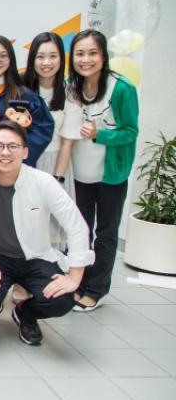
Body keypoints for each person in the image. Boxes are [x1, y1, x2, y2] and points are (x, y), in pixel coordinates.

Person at [0, 121, 94, 345]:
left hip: (36, 257)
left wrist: (74, 276)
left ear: (25, 152)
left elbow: (76, 226)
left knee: (61, 300)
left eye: (13, 146)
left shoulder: (43, 182)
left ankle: (25, 314)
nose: (5, 152)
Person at [66, 29, 139, 312]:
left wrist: (101, 135)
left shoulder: (121, 88)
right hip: (80, 173)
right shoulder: (71, 86)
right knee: (79, 230)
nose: (86, 60)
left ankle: (96, 289)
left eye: (92, 53)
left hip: (110, 174)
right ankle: (78, 282)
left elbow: (131, 131)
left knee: (105, 233)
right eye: (80, 54)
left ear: (103, 55)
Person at [22, 32, 84, 248]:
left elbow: (68, 142)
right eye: (40, 57)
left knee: (51, 229)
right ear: (32, 59)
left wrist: (56, 179)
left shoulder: (70, 93)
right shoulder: (20, 88)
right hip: (23, 164)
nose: (46, 63)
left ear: (61, 59)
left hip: (55, 165)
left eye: (53, 56)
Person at [0, 35, 54, 168]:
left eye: (3, 56)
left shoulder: (25, 96)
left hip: (13, 168)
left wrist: (7, 146)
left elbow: (42, 130)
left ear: (11, 59)